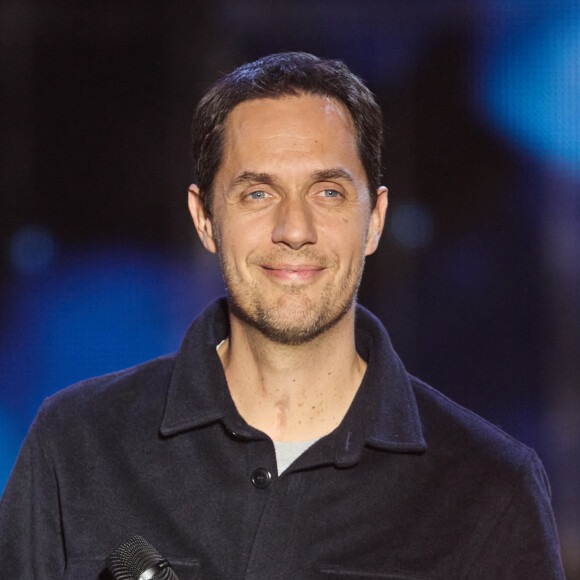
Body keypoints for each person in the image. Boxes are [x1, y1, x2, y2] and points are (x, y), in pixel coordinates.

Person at [0, 52, 565, 579]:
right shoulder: (76, 446)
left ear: (374, 219)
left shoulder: (487, 486)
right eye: (257, 194)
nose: (294, 229)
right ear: (204, 218)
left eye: (327, 193)